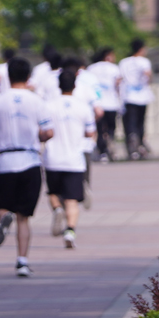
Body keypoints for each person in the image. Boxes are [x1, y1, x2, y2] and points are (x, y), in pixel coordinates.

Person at [0, 56, 55, 277]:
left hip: (6, 161)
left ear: (8, 76)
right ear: (28, 76)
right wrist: (38, 137)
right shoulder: (36, 101)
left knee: (3, 207)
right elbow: (49, 132)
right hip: (30, 160)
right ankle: (22, 261)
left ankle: (5, 218)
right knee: (24, 217)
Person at [42, 65, 96, 247]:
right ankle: (70, 231)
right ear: (75, 85)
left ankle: (57, 209)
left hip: (52, 158)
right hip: (75, 159)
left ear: (58, 85)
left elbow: (43, 131)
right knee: (72, 200)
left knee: (53, 193)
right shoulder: (83, 107)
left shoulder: (48, 106)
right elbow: (90, 132)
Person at [86, 48, 122, 163]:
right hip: (111, 103)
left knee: (100, 130)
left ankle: (102, 152)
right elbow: (118, 85)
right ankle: (110, 147)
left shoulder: (91, 68)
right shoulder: (114, 68)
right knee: (111, 128)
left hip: (97, 104)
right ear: (108, 56)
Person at [119, 39, 154, 159]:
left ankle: (131, 145)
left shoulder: (124, 62)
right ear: (141, 49)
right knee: (140, 122)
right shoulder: (144, 61)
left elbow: (119, 78)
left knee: (130, 123)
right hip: (141, 96)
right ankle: (139, 144)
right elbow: (148, 74)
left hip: (128, 96)